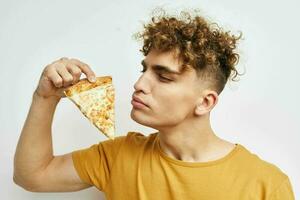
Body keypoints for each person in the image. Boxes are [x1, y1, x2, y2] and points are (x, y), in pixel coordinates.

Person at [13, 9, 295, 199]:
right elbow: (32, 176)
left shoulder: (266, 186)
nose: (139, 84)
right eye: (144, 69)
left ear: (205, 102)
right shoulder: (118, 156)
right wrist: (44, 98)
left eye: (163, 77)